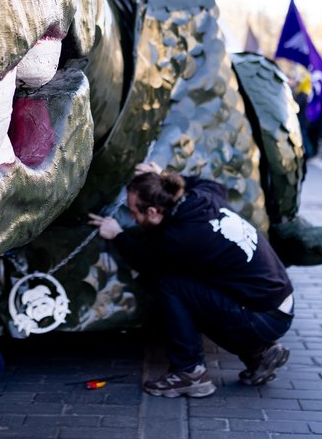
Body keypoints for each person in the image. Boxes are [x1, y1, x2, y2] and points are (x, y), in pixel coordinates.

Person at [89, 166, 293, 398]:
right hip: (279, 302)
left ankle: (189, 372)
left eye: (134, 212)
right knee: (199, 286)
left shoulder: (179, 237)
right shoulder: (201, 196)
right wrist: (164, 174)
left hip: (264, 316)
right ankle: (258, 354)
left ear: (154, 212)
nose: (131, 217)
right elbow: (218, 187)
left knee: (171, 285)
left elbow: (146, 263)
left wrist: (117, 234)